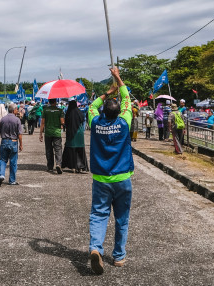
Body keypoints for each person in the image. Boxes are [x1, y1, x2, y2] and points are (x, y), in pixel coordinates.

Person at [87, 67, 133, 274]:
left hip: (101, 178)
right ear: (118, 111)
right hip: (123, 177)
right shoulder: (124, 122)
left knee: (99, 215)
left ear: (103, 112)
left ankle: (96, 248)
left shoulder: (95, 122)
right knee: (122, 218)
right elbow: (127, 99)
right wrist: (118, 79)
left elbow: (91, 106)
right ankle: (119, 256)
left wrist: (107, 92)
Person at [0, 103, 23, 186]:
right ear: (14, 110)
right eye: (16, 109)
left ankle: (1, 175)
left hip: (4, 141)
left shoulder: (3, 119)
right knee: (13, 162)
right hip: (13, 141)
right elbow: (20, 134)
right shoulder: (17, 120)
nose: (17, 111)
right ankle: (12, 180)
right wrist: (21, 144)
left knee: (3, 160)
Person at [62, 99, 89, 173]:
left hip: (71, 133)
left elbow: (66, 123)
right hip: (79, 132)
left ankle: (72, 166)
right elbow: (83, 119)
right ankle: (81, 166)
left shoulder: (68, 113)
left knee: (71, 149)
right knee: (80, 149)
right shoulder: (79, 112)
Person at [39, 98, 64, 174]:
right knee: (58, 149)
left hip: (48, 133)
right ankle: (58, 164)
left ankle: (50, 167)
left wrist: (40, 134)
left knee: (49, 150)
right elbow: (62, 122)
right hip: (57, 133)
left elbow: (42, 123)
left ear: (49, 102)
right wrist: (62, 124)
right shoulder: (60, 110)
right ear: (55, 102)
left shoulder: (45, 110)